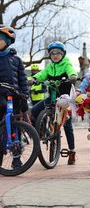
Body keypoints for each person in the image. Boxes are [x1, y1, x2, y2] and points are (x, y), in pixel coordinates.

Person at [31, 41, 78, 165]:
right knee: (34, 111)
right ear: (50, 55)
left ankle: (72, 151)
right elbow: (42, 74)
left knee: (67, 125)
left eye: (58, 53)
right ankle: (43, 132)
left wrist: (72, 76)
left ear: (63, 54)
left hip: (64, 99)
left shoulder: (66, 64)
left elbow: (71, 70)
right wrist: (35, 79)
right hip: (52, 98)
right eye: (52, 53)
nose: (55, 55)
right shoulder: (50, 67)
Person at [0, 25, 29, 168]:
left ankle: (16, 158)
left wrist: (24, 96)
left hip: (15, 97)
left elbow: (22, 79)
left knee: (15, 127)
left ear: (8, 41)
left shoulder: (16, 60)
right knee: (2, 124)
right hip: (0, 95)